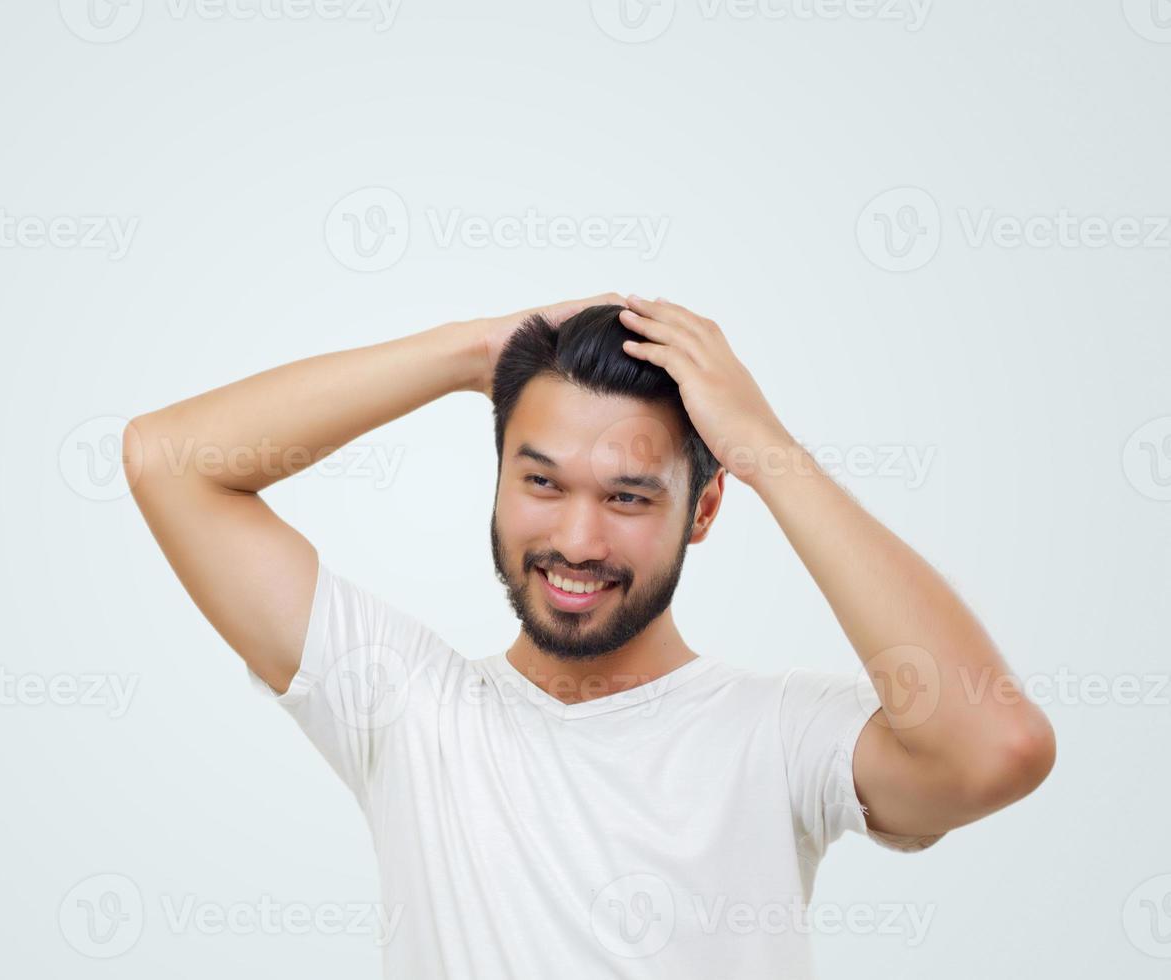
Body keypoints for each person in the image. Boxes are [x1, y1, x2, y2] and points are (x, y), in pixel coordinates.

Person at [122, 294, 1056, 979]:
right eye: (541, 483)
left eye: (627, 497)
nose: (577, 540)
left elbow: (995, 748)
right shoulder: (406, 707)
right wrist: (475, 350)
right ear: (496, 481)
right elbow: (170, 462)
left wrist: (765, 445)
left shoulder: (778, 737)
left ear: (705, 508)